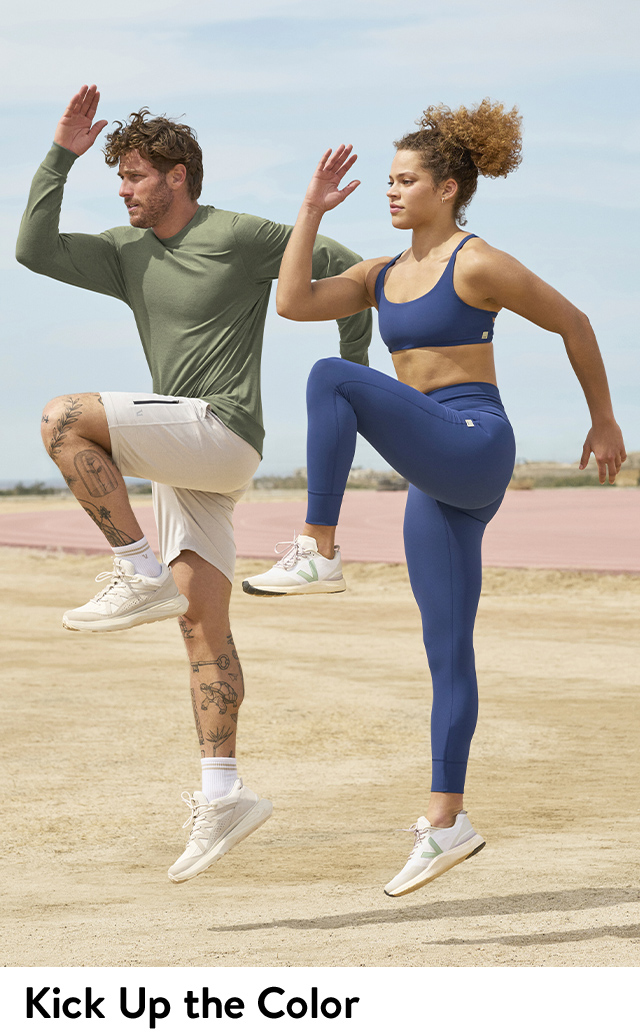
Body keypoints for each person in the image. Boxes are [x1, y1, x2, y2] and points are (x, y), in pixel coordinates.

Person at [242, 100, 627, 896]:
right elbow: (293, 302)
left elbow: (575, 321)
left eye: (403, 180)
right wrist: (309, 212)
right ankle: (449, 822)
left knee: (331, 376)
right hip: (434, 477)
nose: (389, 191)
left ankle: (318, 546)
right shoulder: (381, 276)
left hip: (476, 442)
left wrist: (604, 420)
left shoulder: (476, 262)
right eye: (386, 180)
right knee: (446, 652)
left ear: (447, 189)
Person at [15, 85, 371, 884]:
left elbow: (346, 268)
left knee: (62, 417)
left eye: (135, 174)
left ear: (177, 176)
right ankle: (225, 792)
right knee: (201, 629)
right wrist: (61, 154)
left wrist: (357, 381)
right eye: (120, 177)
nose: (125, 188)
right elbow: (32, 249)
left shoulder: (238, 235)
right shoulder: (121, 251)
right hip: (185, 458)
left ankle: (133, 567)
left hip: (221, 428)